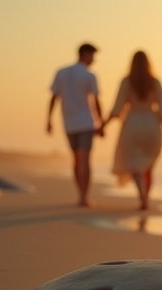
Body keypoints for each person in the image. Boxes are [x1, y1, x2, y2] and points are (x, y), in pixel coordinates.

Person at [101, 50, 162, 210]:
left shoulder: (126, 82)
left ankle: (142, 198)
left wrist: (103, 125)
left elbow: (117, 108)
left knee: (135, 164)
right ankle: (146, 197)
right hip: (152, 125)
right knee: (147, 165)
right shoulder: (155, 82)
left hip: (132, 125)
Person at [46, 42, 104, 207]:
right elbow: (95, 101)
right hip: (86, 122)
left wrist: (49, 120)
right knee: (85, 160)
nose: (94, 59)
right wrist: (100, 123)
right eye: (93, 55)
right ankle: (84, 196)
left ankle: (81, 194)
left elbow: (54, 98)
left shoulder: (61, 72)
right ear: (84, 54)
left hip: (69, 122)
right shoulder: (89, 75)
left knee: (76, 160)